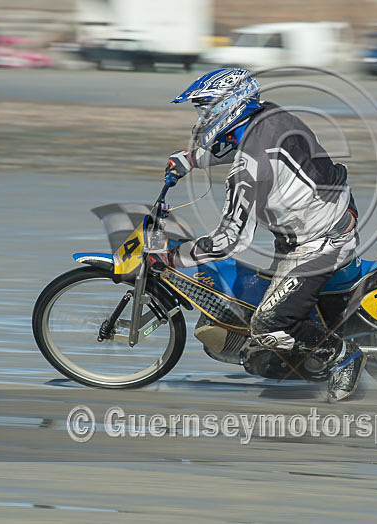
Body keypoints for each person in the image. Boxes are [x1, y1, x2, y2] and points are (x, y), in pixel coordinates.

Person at [151, 68, 364, 402]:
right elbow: (236, 143)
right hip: (329, 213)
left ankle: (343, 355)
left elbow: (229, 240)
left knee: (268, 325)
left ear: (229, 104)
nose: (202, 116)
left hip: (321, 240)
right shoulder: (269, 114)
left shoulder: (250, 170)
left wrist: (173, 256)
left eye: (206, 107)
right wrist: (192, 159)